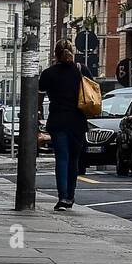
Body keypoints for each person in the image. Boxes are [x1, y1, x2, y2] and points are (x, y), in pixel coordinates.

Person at [40, 39, 88, 211]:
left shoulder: (48, 74)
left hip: (58, 121)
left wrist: (38, 118)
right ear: (73, 52)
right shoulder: (81, 70)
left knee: (61, 159)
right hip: (78, 121)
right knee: (74, 160)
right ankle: (70, 196)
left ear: (55, 54)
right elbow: (93, 91)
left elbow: (38, 96)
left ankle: (62, 198)